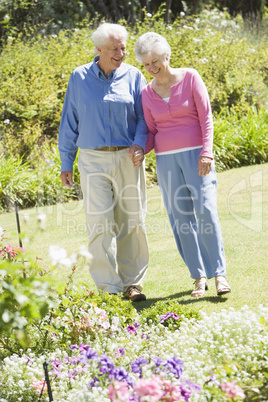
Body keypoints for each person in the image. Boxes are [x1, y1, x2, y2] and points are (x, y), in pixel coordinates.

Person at [134, 32, 231, 297]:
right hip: (166, 161)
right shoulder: (146, 92)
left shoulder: (190, 77)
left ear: (167, 55)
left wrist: (207, 152)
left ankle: (219, 274)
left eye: (155, 61)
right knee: (181, 220)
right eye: (146, 64)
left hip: (197, 156)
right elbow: (152, 131)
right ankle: (198, 277)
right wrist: (142, 150)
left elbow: (206, 118)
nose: (152, 68)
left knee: (206, 210)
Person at [58, 23, 149, 302]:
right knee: (99, 223)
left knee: (132, 221)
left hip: (127, 157)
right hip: (92, 159)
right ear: (98, 49)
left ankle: (132, 284)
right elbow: (69, 121)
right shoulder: (79, 77)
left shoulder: (134, 76)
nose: (121, 53)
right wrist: (66, 161)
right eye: (114, 48)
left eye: (123, 47)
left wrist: (139, 144)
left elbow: (145, 119)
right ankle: (109, 287)